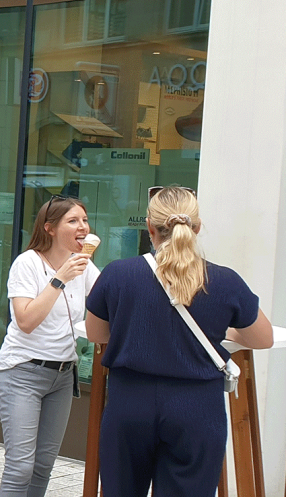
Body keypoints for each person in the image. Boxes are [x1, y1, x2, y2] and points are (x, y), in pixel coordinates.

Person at [86, 186, 275, 496]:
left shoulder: (118, 274)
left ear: (149, 227)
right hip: (197, 407)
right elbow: (262, 338)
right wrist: (224, 332)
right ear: (196, 228)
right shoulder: (225, 280)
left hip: (129, 401)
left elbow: (96, 334)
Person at [0, 196, 98, 497]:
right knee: (20, 467)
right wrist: (60, 278)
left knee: (43, 465)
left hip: (63, 375)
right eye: (73, 221)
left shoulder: (85, 267)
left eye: (84, 220)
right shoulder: (27, 263)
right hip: (23, 372)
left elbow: (108, 302)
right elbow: (26, 320)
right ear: (50, 228)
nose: (83, 227)